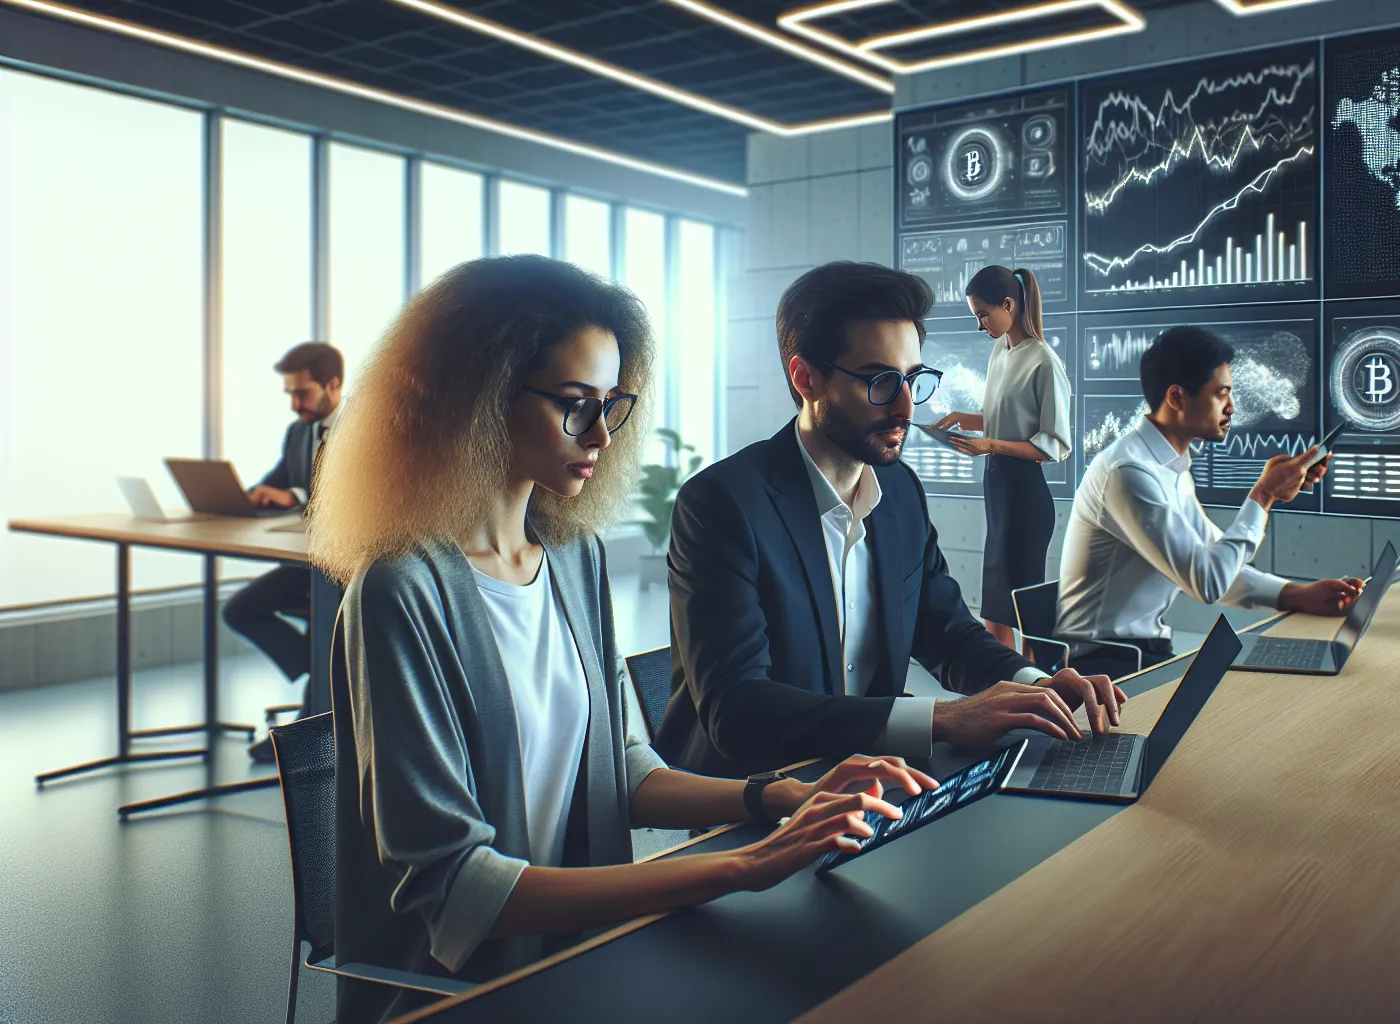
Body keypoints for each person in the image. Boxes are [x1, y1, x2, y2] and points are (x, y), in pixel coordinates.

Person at [306, 255, 935, 1023]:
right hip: (462, 994)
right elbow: (458, 886)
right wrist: (742, 865)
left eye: (611, 404)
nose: (602, 433)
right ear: (479, 400)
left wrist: (778, 797)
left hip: (584, 964)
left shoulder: (572, 557)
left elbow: (621, 770)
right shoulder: (401, 590)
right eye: (575, 405)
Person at [656, 261, 1123, 779]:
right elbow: (738, 712)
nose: (905, 407)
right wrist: (939, 719)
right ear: (805, 377)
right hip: (752, 803)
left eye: (912, 379)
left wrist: (1036, 683)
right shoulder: (722, 504)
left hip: (871, 782)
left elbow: (946, 629)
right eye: (880, 381)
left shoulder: (898, 490)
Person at [1056, 326, 1365, 681]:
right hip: (1108, 669)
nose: (1232, 407)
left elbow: (1213, 560)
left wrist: (1296, 594)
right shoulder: (1129, 474)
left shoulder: (1168, 465)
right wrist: (1263, 496)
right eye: (1221, 394)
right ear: (1177, 398)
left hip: (1141, 654)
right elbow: (1208, 582)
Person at [928, 265, 1072, 651]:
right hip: (997, 493)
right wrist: (966, 419)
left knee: (1025, 613)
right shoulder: (1000, 351)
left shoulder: (1044, 361)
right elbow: (1007, 420)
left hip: (1025, 496)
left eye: (982, 314)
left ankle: (1039, 694)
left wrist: (989, 444)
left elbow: (1051, 445)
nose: (979, 325)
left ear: (1008, 304)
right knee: (994, 609)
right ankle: (1009, 691)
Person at [225, 340, 342, 762]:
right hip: (306, 565)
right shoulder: (298, 432)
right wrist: (248, 496)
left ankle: (311, 724)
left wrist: (291, 493)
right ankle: (322, 683)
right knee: (238, 610)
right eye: (289, 394)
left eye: (302, 393)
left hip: (346, 568)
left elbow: (345, 496)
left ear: (333, 385)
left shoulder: (361, 431)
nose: (295, 404)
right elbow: (277, 481)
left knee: (325, 629)